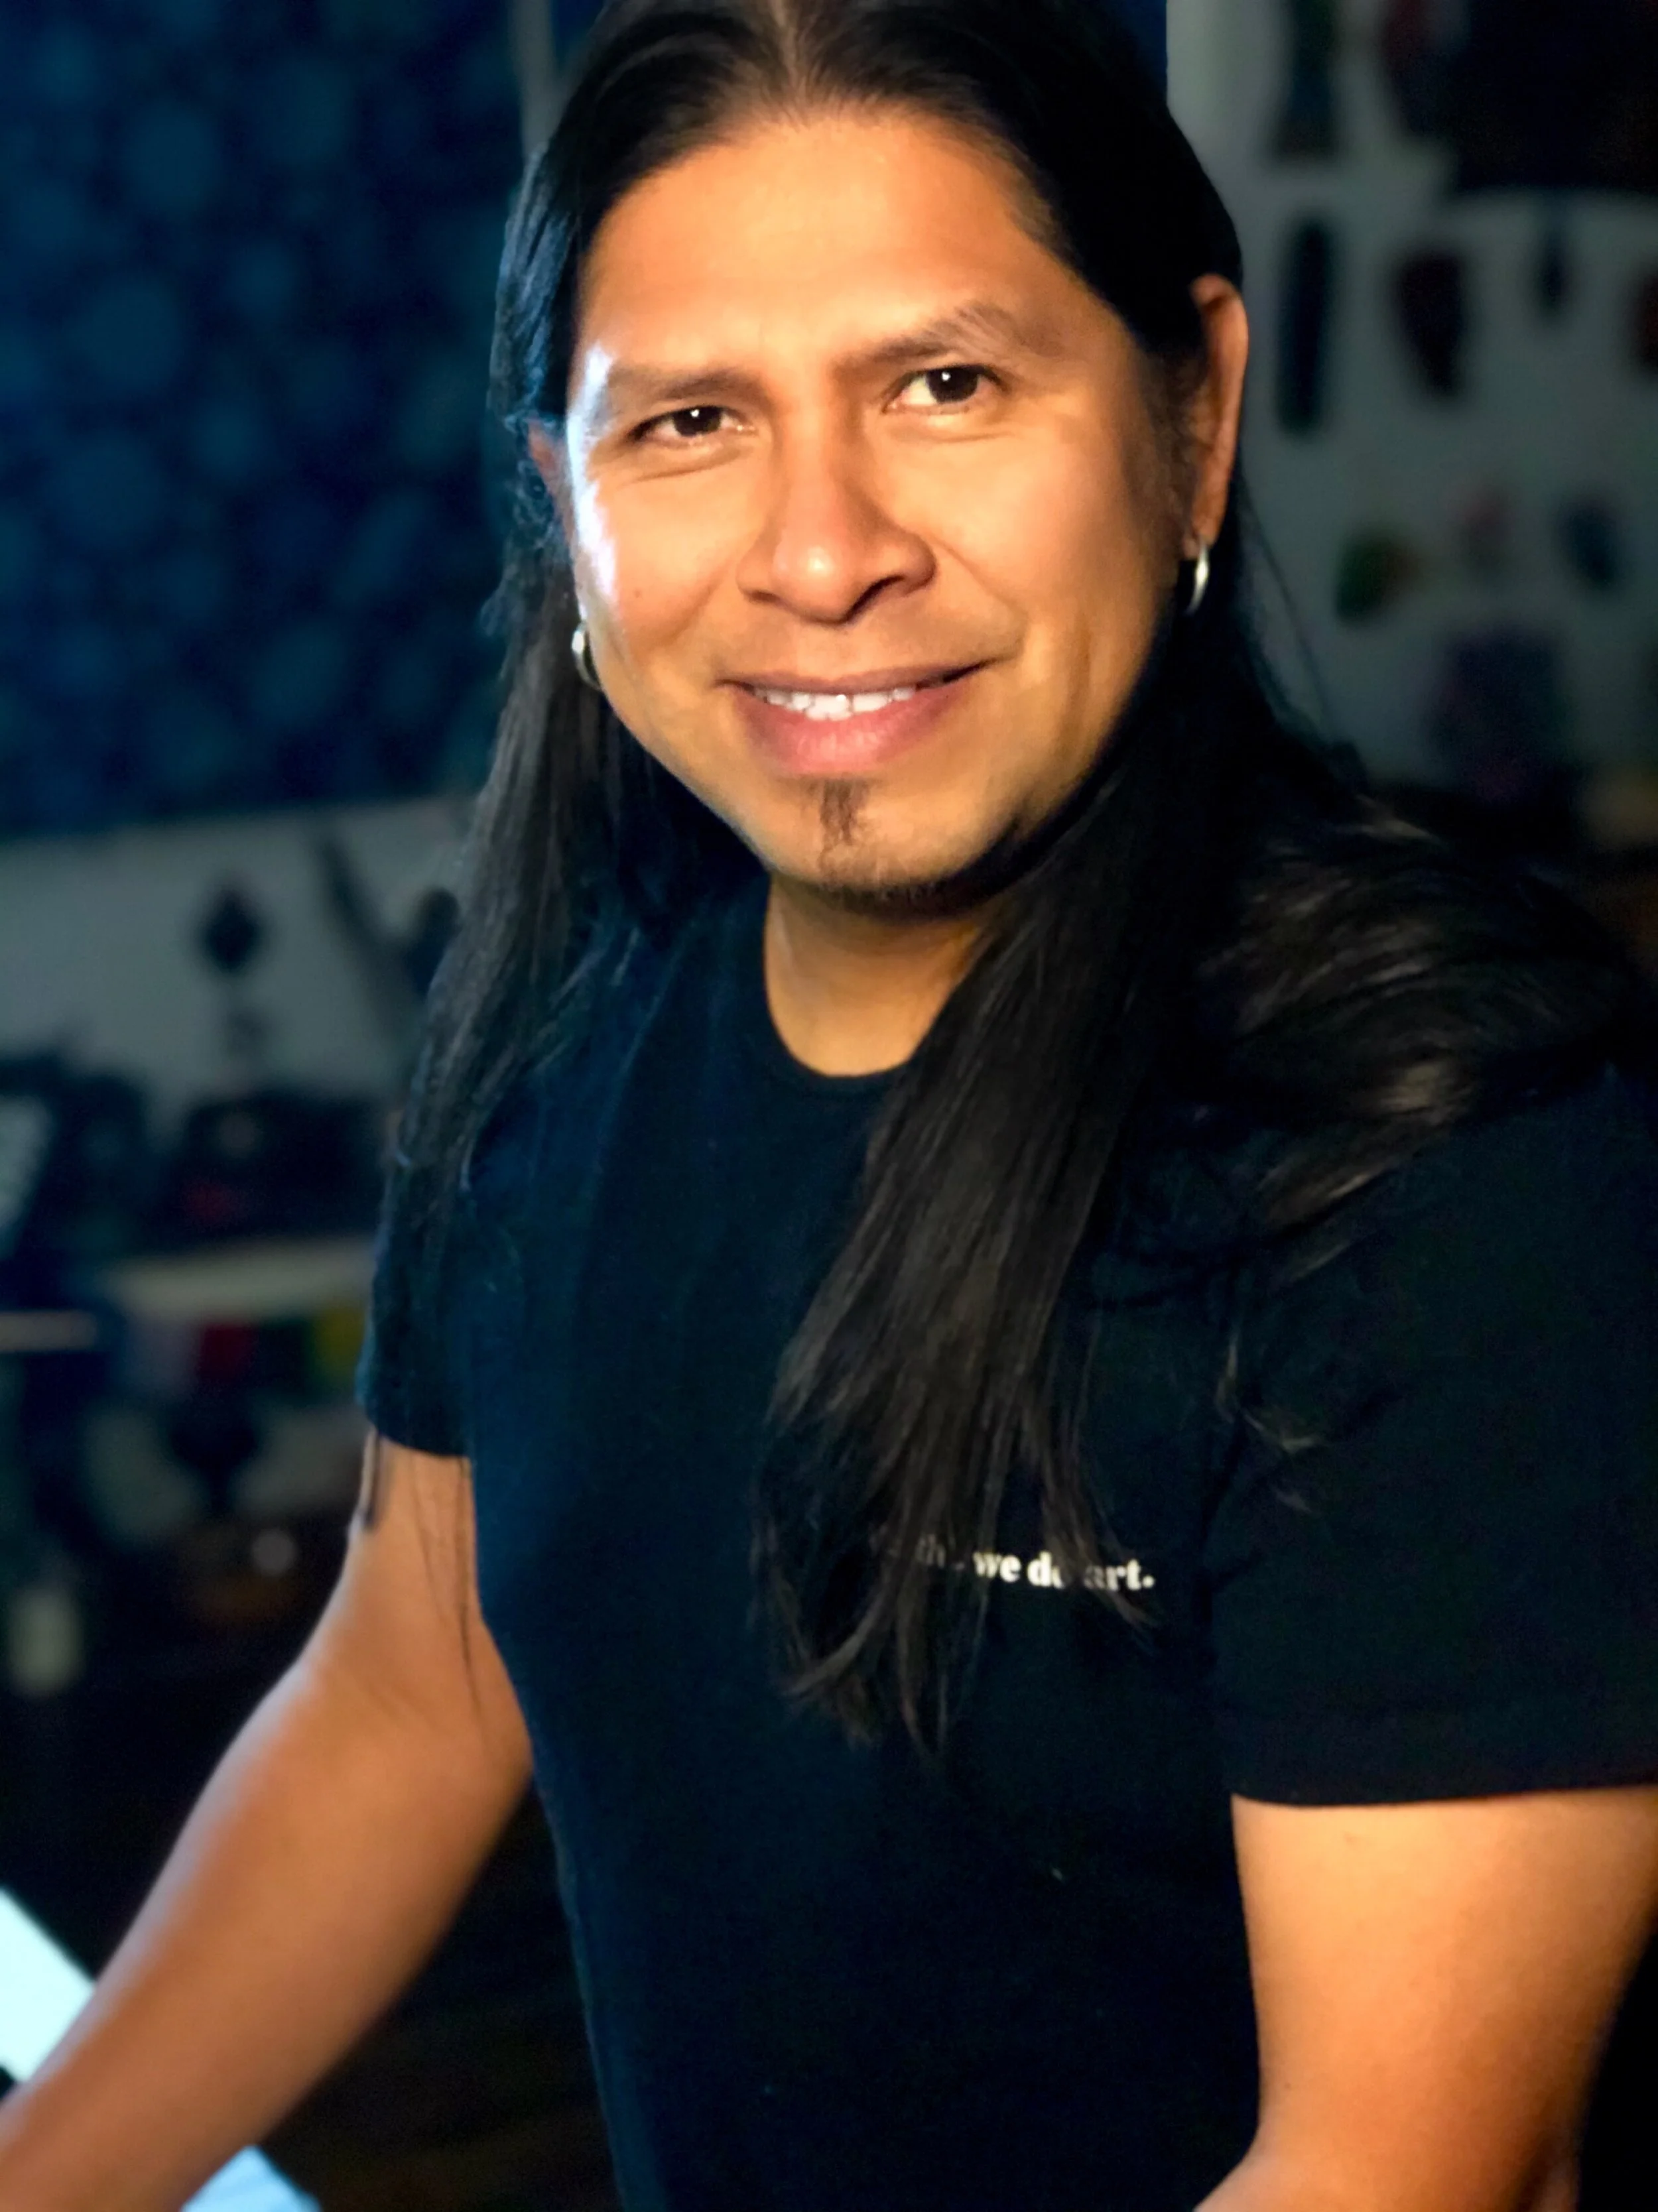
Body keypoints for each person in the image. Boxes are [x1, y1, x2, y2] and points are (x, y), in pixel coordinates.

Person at [5, 1, 1658, 2206]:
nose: (821, 551)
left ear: (1191, 414)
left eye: (943, 385)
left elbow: (1403, 2168)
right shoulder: (558, 1028)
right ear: (561, 504)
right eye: (690, 420)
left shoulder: (1440, 1151)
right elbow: (412, 1684)